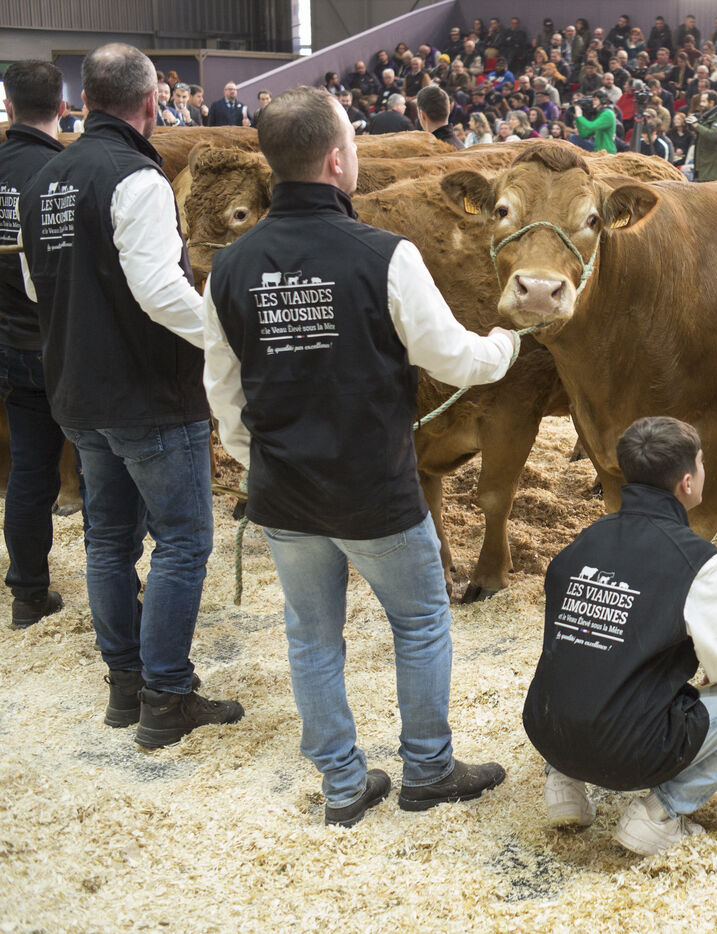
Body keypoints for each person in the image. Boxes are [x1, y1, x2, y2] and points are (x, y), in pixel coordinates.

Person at [202, 86, 519, 827]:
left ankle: (343, 784)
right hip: (374, 488)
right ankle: (428, 770)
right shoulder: (385, 254)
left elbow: (222, 394)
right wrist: (506, 343)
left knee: (312, 638)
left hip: (286, 491)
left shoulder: (230, 267)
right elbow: (451, 357)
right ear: (338, 161)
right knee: (421, 622)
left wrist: (260, 463)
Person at [17, 44, 243, 746]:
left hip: (76, 390)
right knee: (183, 540)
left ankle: (125, 684)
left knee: (109, 540)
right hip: (147, 393)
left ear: (84, 101)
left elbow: (34, 288)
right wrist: (226, 340)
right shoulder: (137, 177)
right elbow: (159, 291)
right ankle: (166, 695)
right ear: (150, 103)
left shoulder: (45, 180)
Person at [522, 416, 717, 856]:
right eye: (702, 463)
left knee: (584, 657)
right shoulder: (699, 561)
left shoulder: (581, 542)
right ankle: (660, 813)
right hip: (629, 753)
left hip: (546, 729)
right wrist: (715, 670)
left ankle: (563, 786)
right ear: (687, 483)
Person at [0, 62, 70, 630]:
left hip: (10, 345)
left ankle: (27, 593)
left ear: (8, 106)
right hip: (67, 346)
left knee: (29, 469)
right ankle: (121, 594)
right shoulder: (62, 173)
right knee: (101, 473)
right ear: (64, 108)